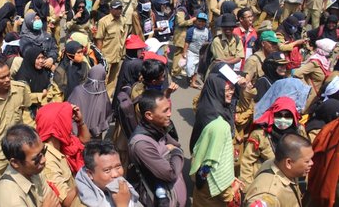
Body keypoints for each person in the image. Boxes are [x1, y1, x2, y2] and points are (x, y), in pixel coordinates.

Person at [190, 73, 243, 206]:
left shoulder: (209, 106)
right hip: (210, 188)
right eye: (227, 89)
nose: (231, 92)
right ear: (217, 90)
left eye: (232, 88)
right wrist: (231, 187)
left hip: (202, 182)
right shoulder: (219, 124)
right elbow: (212, 162)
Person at [128, 89, 187, 206]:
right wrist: (175, 152)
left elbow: (176, 144)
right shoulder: (142, 145)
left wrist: (174, 150)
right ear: (149, 115)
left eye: (169, 109)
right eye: (165, 111)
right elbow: (170, 173)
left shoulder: (158, 126)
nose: (170, 114)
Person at [240, 97, 306, 188]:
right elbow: (247, 162)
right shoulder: (260, 134)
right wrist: (247, 188)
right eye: (279, 115)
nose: (283, 119)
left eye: (287, 116)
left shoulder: (299, 132)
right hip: (264, 184)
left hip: (290, 184)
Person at [0, 124, 60, 207]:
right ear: (15, 163)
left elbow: (54, 200)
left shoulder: (34, 171)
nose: (43, 160)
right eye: (36, 159)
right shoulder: (11, 199)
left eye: (43, 151)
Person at [36, 102, 91, 206]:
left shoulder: (62, 144)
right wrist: (87, 179)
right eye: (67, 121)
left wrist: (80, 122)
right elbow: (66, 200)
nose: (70, 126)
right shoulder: (48, 161)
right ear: (58, 126)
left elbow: (85, 141)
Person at [244, 134, 313, 207]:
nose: (312, 163)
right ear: (288, 163)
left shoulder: (279, 165)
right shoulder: (269, 195)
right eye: (307, 161)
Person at [75, 140, 140, 207]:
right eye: (107, 170)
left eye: (118, 167)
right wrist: (122, 204)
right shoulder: (83, 203)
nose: (116, 174)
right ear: (90, 174)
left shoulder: (124, 191)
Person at [94, 0, 128, 97]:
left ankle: (107, 97)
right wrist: (99, 56)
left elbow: (123, 37)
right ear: (111, 9)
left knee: (113, 80)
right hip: (106, 56)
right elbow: (99, 39)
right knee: (103, 79)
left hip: (117, 55)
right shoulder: (104, 22)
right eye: (116, 9)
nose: (119, 11)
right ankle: (99, 97)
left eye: (120, 8)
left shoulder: (123, 20)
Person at [68, 65, 112, 139]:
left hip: (77, 137)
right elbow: (107, 116)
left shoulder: (77, 91)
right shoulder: (103, 96)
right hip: (94, 140)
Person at [15, 46, 62, 114]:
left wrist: (54, 71)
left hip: (47, 108)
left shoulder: (44, 71)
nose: (41, 61)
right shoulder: (23, 75)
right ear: (31, 59)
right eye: (38, 58)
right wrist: (42, 94)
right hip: (28, 112)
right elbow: (25, 97)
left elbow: (53, 88)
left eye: (42, 58)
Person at [294, 38, 337, 112]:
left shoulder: (325, 62)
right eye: (332, 50)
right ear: (326, 50)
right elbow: (297, 73)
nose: (333, 52)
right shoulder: (315, 62)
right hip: (308, 99)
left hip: (316, 97)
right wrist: (307, 87)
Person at [184, 12, 212, 89]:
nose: (201, 23)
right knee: (189, 67)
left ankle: (193, 82)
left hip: (201, 54)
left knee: (196, 69)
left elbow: (210, 41)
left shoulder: (207, 31)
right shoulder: (191, 30)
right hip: (192, 51)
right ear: (196, 21)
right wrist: (184, 52)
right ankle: (188, 76)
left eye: (203, 21)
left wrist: (207, 44)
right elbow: (187, 42)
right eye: (199, 21)